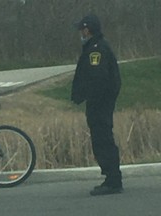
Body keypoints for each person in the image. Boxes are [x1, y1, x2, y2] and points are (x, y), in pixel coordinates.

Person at [71, 14, 123, 195]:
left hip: (100, 104)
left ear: (87, 29)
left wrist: (91, 99)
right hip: (99, 103)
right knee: (101, 138)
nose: (80, 33)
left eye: (81, 29)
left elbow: (98, 79)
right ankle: (111, 177)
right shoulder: (95, 46)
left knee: (103, 139)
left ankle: (113, 180)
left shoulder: (96, 50)